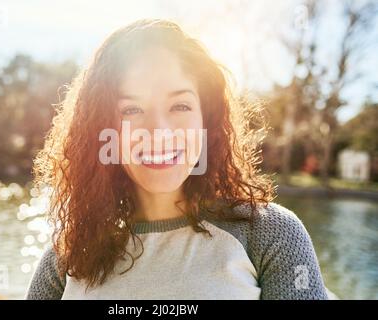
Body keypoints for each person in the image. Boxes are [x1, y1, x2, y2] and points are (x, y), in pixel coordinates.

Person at [26, 19, 328, 300]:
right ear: (104, 128)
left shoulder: (270, 235)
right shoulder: (66, 256)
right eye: (131, 110)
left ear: (205, 119)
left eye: (180, 106)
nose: (159, 132)